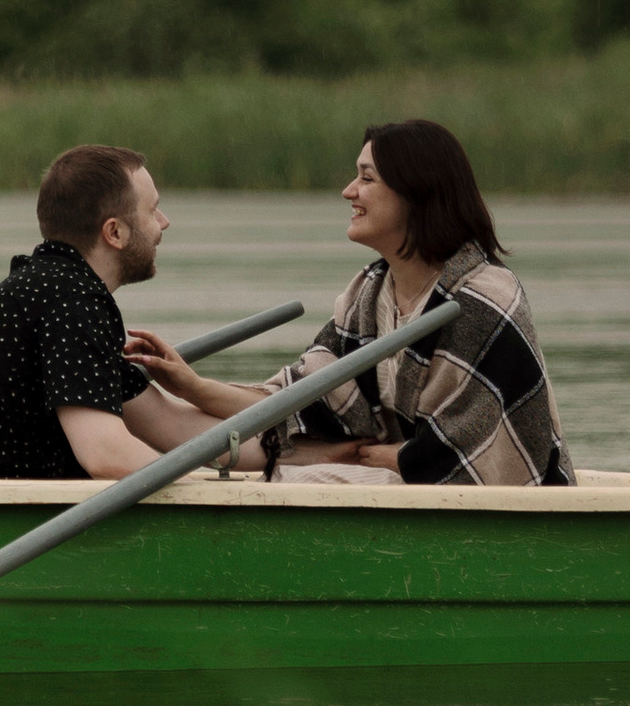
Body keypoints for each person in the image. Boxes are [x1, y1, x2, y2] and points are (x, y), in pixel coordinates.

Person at [128, 118, 573, 485]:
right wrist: (187, 384)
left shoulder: (484, 297)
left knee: (305, 475)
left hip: (501, 511)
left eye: (367, 178)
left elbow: (468, 457)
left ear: (416, 194)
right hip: (412, 494)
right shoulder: (369, 294)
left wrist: (375, 458)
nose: (348, 191)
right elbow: (293, 401)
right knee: (292, 464)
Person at [0, 144, 223, 482]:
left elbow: (174, 425)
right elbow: (104, 452)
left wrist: (277, 444)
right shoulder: (70, 300)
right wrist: (202, 492)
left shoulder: (54, 289)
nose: (163, 222)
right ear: (115, 232)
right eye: (151, 209)